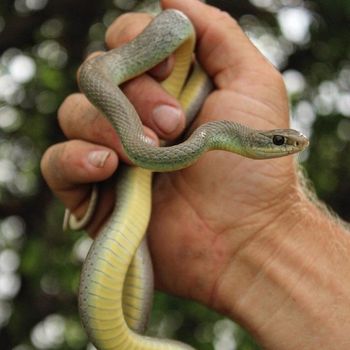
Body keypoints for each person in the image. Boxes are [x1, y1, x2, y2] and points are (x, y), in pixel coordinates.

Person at [40, 0, 350, 348]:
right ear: (254, 140)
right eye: (279, 141)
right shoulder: (203, 134)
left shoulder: (207, 139)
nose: (288, 145)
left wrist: (269, 229)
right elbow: (170, 25)